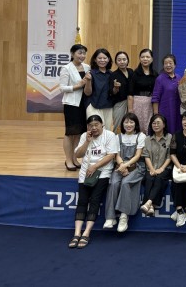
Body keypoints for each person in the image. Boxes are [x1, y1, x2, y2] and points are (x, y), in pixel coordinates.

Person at [68, 115, 118, 249]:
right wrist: (87, 142)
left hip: (102, 172)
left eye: (96, 125)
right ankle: (76, 233)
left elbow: (111, 155)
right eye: (91, 125)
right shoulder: (85, 136)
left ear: (102, 125)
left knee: (95, 201)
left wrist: (95, 166)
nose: (94, 128)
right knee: (82, 201)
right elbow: (78, 154)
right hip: (85, 173)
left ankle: (86, 233)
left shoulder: (110, 135)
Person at [103, 113, 146, 233]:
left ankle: (124, 216)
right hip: (120, 165)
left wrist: (125, 166)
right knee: (113, 183)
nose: (128, 125)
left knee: (125, 183)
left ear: (136, 124)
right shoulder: (117, 137)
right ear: (122, 124)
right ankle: (110, 217)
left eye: (131, 122)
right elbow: (117, 155)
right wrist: (122, 165)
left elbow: (138, 155)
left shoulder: (141, 136)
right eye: (126, 122)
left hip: (136, 166)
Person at [60, 43, 91, 171]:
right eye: (79, 53)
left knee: (79, 133)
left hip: (84, 103)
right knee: (70, 133)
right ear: (72, 54)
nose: (82, 55)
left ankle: (74, 158)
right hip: (71, 104)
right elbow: (62, 88)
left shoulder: (87, 67)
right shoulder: (66, 68)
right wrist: (78, 85)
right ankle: (68, 160)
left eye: (84, 53)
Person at [140, 114, 173, 216]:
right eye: (153, 123)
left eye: (158, 123)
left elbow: (169, 156)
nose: (156, 125)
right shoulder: (147, 139)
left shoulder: (169, 137)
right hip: (151, 167)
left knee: (159, 178)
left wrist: (161, 169)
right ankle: (151, 206)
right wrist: (152, 169)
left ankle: (148, 202)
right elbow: (146, 156)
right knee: (149, 179)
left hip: (165, 168)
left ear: (164, 125)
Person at [127, 48, 158, 135]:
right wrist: (130, 110)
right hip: (137, 103)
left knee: (149, 125)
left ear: (152, 59)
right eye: (143, 57)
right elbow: (130, 94)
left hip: (150, 104)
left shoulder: (155, 74)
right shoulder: (134, 74)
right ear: (140, 59)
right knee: (138, 125)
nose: (145, 59)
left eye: (147, 57)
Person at [84, 48, 114, 129]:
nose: (102, 60)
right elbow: (87, 93)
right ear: (95, 59)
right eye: (99, 58)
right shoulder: (90, 73)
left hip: (108, 106)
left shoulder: (111, 74)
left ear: (108, 59)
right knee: (95, 130)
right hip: (93, 106)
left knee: (107, 131)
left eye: (105, 58)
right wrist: (88, 80)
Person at [152, 54, 182, 134]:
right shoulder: (160, 79)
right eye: (166, 63)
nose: (168, 65)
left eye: (170, 63)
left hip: (177, 110)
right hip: (165, 110)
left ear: (175, 65)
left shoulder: (179, 78)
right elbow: (155, 97)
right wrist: (156, 114)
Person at [109, 51, 133, 133]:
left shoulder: (131, 71)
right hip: (119, 103)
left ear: (127, 60)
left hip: (132, 102)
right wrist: (116, 88)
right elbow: (112, 92)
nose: (122, 62)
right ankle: (116, 140)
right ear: (116, 62)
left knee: (131, 124)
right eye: (119, 60)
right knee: (118, 126)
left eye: (124, 59)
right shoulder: (113, 75)